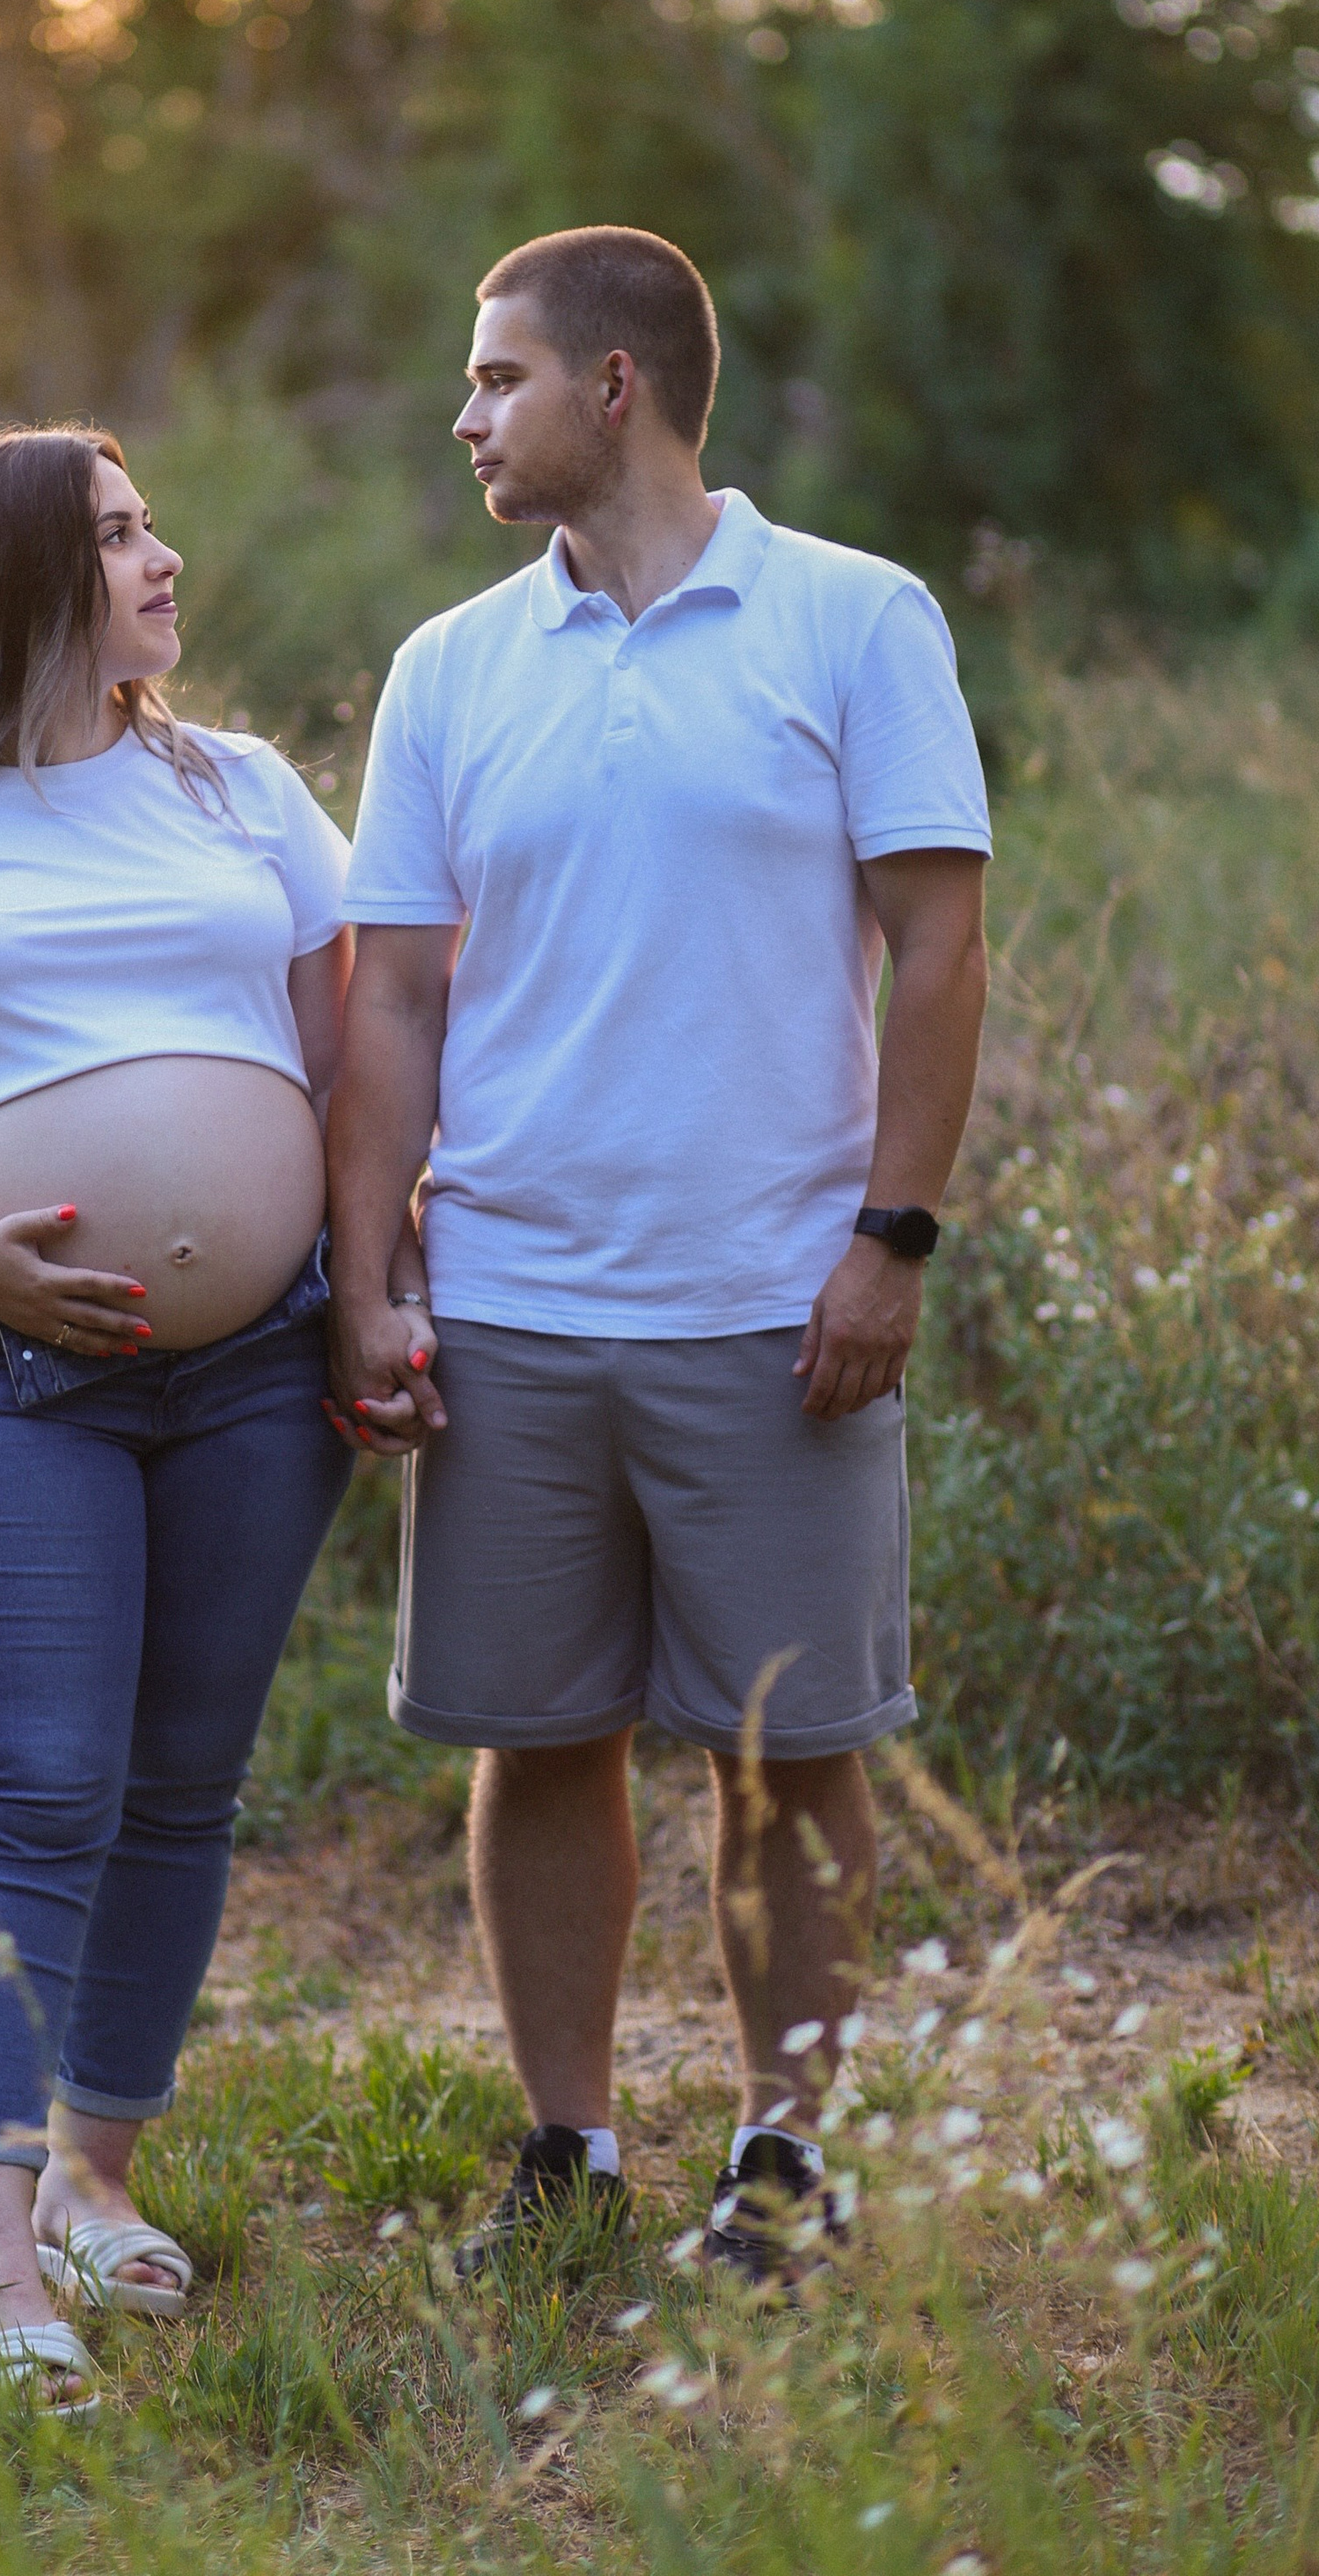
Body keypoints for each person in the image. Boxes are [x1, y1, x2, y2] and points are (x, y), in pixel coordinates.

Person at [326, 226, 991, 2290]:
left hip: (768, 1310)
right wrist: (371, 1280)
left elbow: (939, 946)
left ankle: (784, 2157)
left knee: (790, 1752)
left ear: (612, 389)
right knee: (540, 1738)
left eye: (497, 378)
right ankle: (568, 2146)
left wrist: (886, 1241)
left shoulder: (853, 621)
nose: (465, 418)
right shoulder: (448, 667)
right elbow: (395, 1004)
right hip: (513, 1307)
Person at [0, 425, 364, 2414]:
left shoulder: (246, 794)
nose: (165, 558)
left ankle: (98, 2176)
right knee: (22, 1788)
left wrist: (373, 1295)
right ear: (26, 580)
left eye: (150, 522)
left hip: (261, 1360)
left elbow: (351, 1063)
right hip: (12, 1365)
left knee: (180, 1780)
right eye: (117, 537)